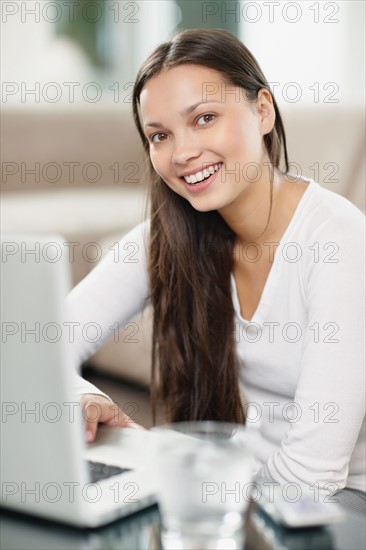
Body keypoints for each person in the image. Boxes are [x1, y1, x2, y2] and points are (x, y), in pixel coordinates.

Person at [67, 29, 365, 501]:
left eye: (204, 118)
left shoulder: (337, 238)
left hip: (340, 503)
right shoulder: (169, 237)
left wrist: (198, 498)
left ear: (262, 110)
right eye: (160, 135)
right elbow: (34, 344)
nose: (182, 152)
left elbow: (314, 476)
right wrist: (79, 396)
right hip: (247, 487)